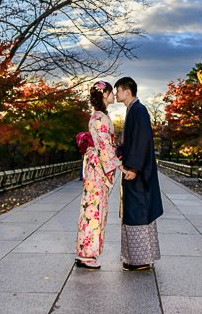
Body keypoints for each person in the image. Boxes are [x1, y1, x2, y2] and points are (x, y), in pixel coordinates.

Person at [114, 76, 163, 271]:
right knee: (134, 211)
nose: (116, 93)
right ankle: (137, 258)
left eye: (118, 90)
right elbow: (131, 143)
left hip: (138, 172)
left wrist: (134, 167)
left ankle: (141, 260)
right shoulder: (133, 110)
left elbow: (142, 140)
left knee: (137, 212)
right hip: (135, 169)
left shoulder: (138, 110)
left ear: (127, 91)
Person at [75, 81, 122, 269]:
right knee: (94, 210)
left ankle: (85, 252)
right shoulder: (101, 118)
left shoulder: (97, 116)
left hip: (93, 167)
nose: (113, 95)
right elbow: (105, 147)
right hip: (98, 169)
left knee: (90, 208)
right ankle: (87, 255)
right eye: (111, 92)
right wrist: (119, 165)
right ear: (105, 94)